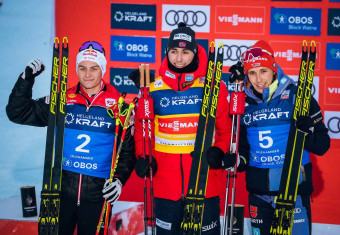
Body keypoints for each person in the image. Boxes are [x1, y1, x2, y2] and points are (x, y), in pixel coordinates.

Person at [6, 41, 136, 235]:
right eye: (82, 68)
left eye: (94, 68)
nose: (88, 74)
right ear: (76, 69)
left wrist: (118, 180)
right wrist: (26, 80)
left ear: (103, 69)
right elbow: (18, 112)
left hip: (97, 196)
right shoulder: (61, 101)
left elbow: (127, 153)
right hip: (60, 193)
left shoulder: (120, 107)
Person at [208, 40, 330, 235]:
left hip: (294, 191)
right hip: (259, 195)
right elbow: (245, 151)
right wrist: (235, 161)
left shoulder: (297, 96)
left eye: (263, 71)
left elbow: (323, 145)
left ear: (274, 69)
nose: (258, 79)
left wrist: (306, 133)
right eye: (252, 73)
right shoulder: (243, 104)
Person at [130, 22, 232, 234]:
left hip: (205, 183)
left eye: (185, 52)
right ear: (167, 52)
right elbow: (142, 131)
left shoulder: (212, 87)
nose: (178, 58)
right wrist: (143, 156)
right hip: (166, 186)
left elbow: (226, 131)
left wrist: (219, 151)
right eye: (174, 51)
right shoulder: (153, 88)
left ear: (194, 53)